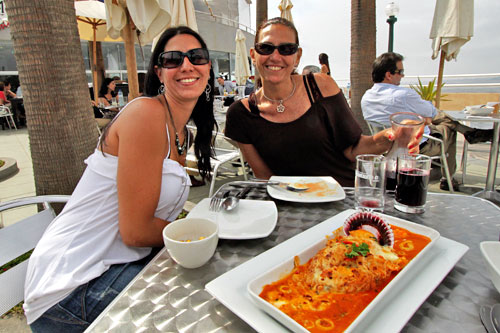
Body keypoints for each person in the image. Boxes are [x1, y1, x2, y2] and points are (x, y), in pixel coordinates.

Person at [24, 26, 217, 332]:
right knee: (207, 307)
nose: (186, 65)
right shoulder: (146, 115)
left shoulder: (183, 133)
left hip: (116, 264)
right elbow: (137, 232)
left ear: (208, 68)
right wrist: (212, 232)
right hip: (71, 286)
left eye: (197, 56)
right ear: (159, 72)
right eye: (172, 59)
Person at [224, 17, 421, 187]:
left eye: (286, 49)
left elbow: (355, 148)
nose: (275, 56)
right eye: (266, 48)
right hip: (289, 203)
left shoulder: (320, 87)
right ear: (253, 54)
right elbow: (265, 177)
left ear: (297, 57)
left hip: (344, 196)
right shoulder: (241, 114)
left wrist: (392, 135)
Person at [361, 52, 493, 191]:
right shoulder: (404, 95)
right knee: (449, 129)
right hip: (416, 146)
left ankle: (470, 133)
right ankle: (448, 179)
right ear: (389, 75)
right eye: (401, 72)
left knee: (442, 124)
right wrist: (425, 119)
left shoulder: (366, 97)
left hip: (385, 146)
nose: (403, 75)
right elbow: (431, 111)